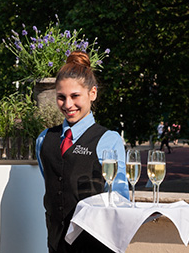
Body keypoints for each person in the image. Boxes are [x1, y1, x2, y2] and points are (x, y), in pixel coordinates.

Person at [36, 51, 127, 253]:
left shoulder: (109, 140)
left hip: (95, 246)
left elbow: (119, 197)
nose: (68, 105)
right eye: (61, 97)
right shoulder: (44, 140)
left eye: (75, 96)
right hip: (55, 244)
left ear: (92, 93)